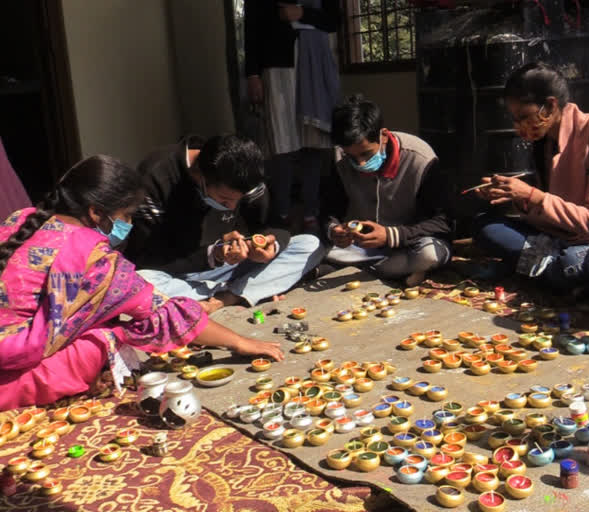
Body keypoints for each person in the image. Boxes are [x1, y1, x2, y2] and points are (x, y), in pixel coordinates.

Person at [0, 156, 283, 409]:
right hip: (11, 376)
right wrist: (239, 342)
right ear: (96, 212)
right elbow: (168, 314)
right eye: (126, 216)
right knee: (111, 336)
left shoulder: (20, 219)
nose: (129, 224)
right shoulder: (93, 258)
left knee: (103, 315)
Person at [473, 62, 589, 289]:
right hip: (566, 236)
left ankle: (535, 268)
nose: (518, 127)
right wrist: (516, 196)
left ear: (549, 107)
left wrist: (531, 195)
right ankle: (548, 271)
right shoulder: (545, 141)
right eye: (514, 119)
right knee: (486, 228)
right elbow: (557, 212)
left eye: (523, 116)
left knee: (570, 264)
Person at [124, 134, 324, 313]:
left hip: (230, 268)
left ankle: (225, 298)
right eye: (224, 199)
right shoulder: (155, 178)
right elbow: (147, 258)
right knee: (141, 281)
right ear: (201, 176)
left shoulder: (246, 179)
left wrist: (270, 245)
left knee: (309, 244)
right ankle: (252, 289)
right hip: (179, 275)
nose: (232, 207)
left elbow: (275, 226)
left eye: (239, 199)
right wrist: (215, 253)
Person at [321, 95, 453, 286]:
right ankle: (387, 270)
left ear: (383, 135)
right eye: (352, 157)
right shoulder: (337, 158)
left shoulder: (420, 158)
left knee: (430, 255)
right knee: (313, 244)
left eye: (367, 154)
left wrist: (391, 235)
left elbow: (443, 222)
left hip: (409, 243)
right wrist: (334, 230)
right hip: (359, 247)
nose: (361, 163)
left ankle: (362, 269)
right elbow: (328, 209)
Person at [245, 0, 340, 232]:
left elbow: (333, 21)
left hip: (316, 64)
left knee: (313, 142)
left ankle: (311, 213)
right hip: (276, 67)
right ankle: (282, 213)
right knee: (282, 143)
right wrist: (252, 74)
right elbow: (252, 28)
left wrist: (302, 13)